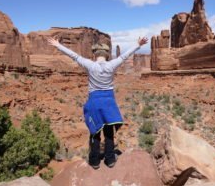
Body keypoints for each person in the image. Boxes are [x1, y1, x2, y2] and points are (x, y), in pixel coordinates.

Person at [47, 36, 148, 169]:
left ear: (94, 54)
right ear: (107, 55)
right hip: (108, 102)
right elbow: (124, 56)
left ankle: (94, 162)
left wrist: (58, 45)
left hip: (94, 101)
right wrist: (138, 44)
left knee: (95, 131)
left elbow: (74, 56)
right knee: (108, 131)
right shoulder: (112, 64)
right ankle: (110, 160)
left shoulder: (90, 65)